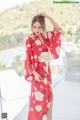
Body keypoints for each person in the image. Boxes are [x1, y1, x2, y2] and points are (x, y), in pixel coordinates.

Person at [24, 12, 62, 120]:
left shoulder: (45, 36)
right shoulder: (29, 40)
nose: (36, 30)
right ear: (32, 27)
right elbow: (27, 59)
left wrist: (49, 16)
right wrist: (34, 73)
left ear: (43, 27)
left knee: (49, 98)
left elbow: (57, 30)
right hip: (37, 74)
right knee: (37, 102)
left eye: (39, 27)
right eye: (34, 27)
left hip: (46, 72)